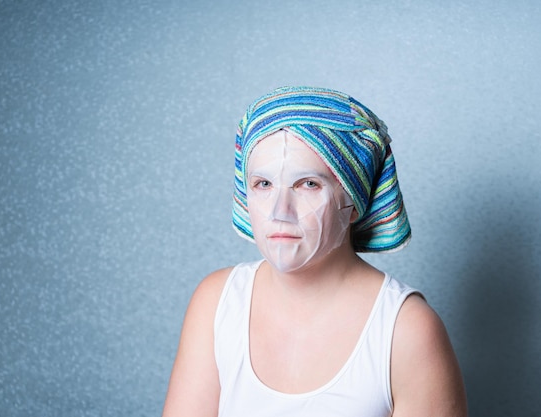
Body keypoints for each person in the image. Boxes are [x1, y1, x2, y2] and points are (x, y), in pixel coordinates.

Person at [162, 86, 468, 417]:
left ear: (354, 202)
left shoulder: (406, 330)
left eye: (308, 184)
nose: (279, 211)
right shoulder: (216, 303)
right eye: (263, 184)